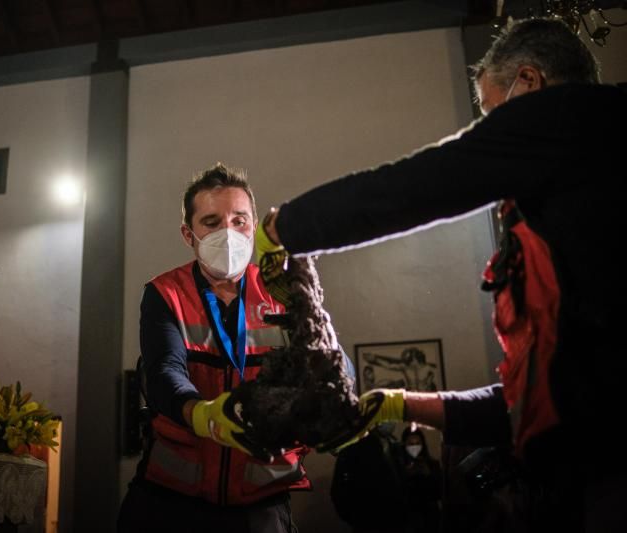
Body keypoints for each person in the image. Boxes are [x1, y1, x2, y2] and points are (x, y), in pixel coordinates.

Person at [254, 17, 625, 531]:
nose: (494, 136)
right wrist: (399, 404)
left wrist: (283, 226)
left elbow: (408, 190)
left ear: (531, 82)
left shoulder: (564, 118)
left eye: (494, 114)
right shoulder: (579, 218)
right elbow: (529, 401)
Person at [117, 163, 310, 533]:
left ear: (254, 226)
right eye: (211, 222)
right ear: (188, 234)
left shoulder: (287, 290)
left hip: (262, 503)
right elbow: (163, 372)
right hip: (170, 503)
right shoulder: (165, 293)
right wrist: (201, 414)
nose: (228, 231)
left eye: (239, 220)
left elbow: (327, 364)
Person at [331, 421, 407, 533]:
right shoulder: (354, 450)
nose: (389, 421)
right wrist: (361, 520)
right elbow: (339, 493)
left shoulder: (395, 445)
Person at [400, 425, 441, 533]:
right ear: (404, 445)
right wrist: (406, 475)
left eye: (417, 443)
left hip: (431, 520)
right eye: (411, 444)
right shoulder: (399, 467)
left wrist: (428, 474)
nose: (415, 447)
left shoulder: (433, 465)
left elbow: (440, 492)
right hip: (410, 520)